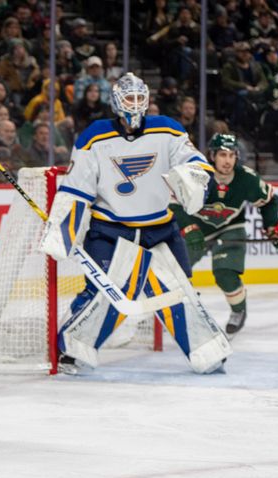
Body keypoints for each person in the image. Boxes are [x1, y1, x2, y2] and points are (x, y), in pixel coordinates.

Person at [39, 73, 227, 374]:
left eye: (140, 98)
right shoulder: (95, 136)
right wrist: (64, 228)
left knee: (180, 291)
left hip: (160, 230)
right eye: (129, 98)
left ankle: (206, 350)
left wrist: (195, 178)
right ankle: (73, 351)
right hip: (111, 231)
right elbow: (77, 187)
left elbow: (194, 160)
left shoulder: (167, 129)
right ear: (116, 101)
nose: (135, 105)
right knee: (102, 294)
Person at [171, 133, 278, 335]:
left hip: (230, 227)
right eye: (223, 155)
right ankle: (177, 308)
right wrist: (189, 228)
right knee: (176, 271)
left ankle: (238, 310)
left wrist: (273, 227)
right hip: (198, 229)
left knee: (225, 273)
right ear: (212, 155)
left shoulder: (246, 178)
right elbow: (174, 204)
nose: (227, 160)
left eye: (232, 155)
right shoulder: (197, 174)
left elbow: (268, 201)